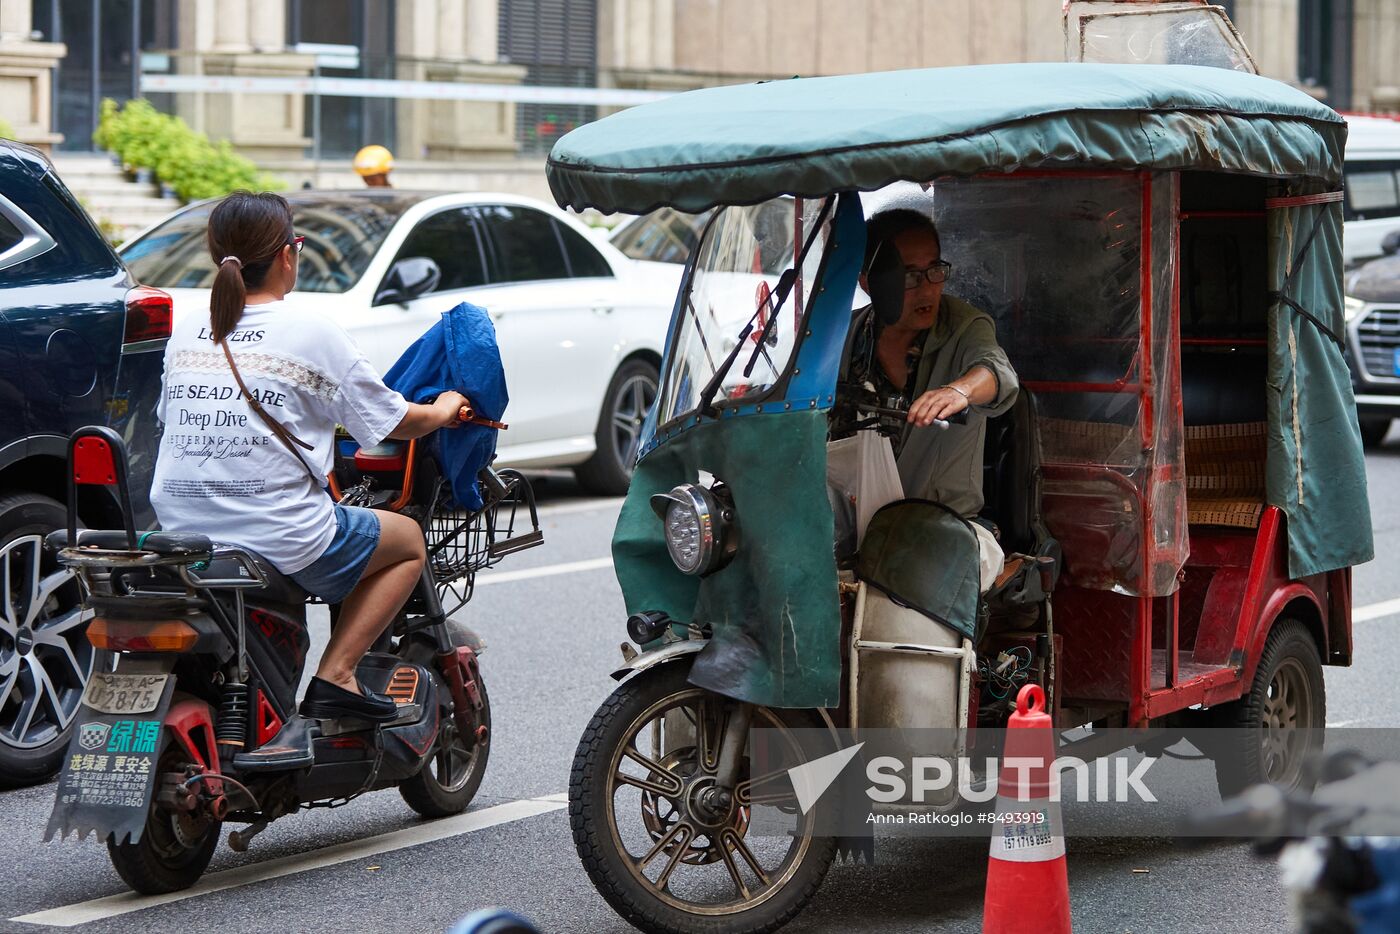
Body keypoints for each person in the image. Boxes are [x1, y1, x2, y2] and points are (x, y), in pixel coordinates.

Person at [150, 191, 466, 732]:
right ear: (287, 255)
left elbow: (173, 417)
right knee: (408, 542)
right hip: (276, 536)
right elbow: (391, 421)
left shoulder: (186, 331)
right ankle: (338, 676)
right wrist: (441, 412)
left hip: (181, 529)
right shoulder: (311, 331)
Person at [847, 208, 1019, 589]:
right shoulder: (846, 338)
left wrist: (959, 390)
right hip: (855, 529)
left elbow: (996, 372)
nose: (928, 288)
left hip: (941, 526)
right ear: (868, 281)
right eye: (909, 275)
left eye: (934, 270)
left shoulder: (963, 326)